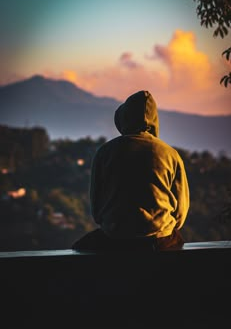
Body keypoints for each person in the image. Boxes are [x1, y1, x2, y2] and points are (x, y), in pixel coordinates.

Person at [72, 90, 190, 252]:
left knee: (79, 248)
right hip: (159, 240)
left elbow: (97, 208)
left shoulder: (105, 152)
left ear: (124, 119)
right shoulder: (170, 154)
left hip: (116, 237)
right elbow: (180, 213)